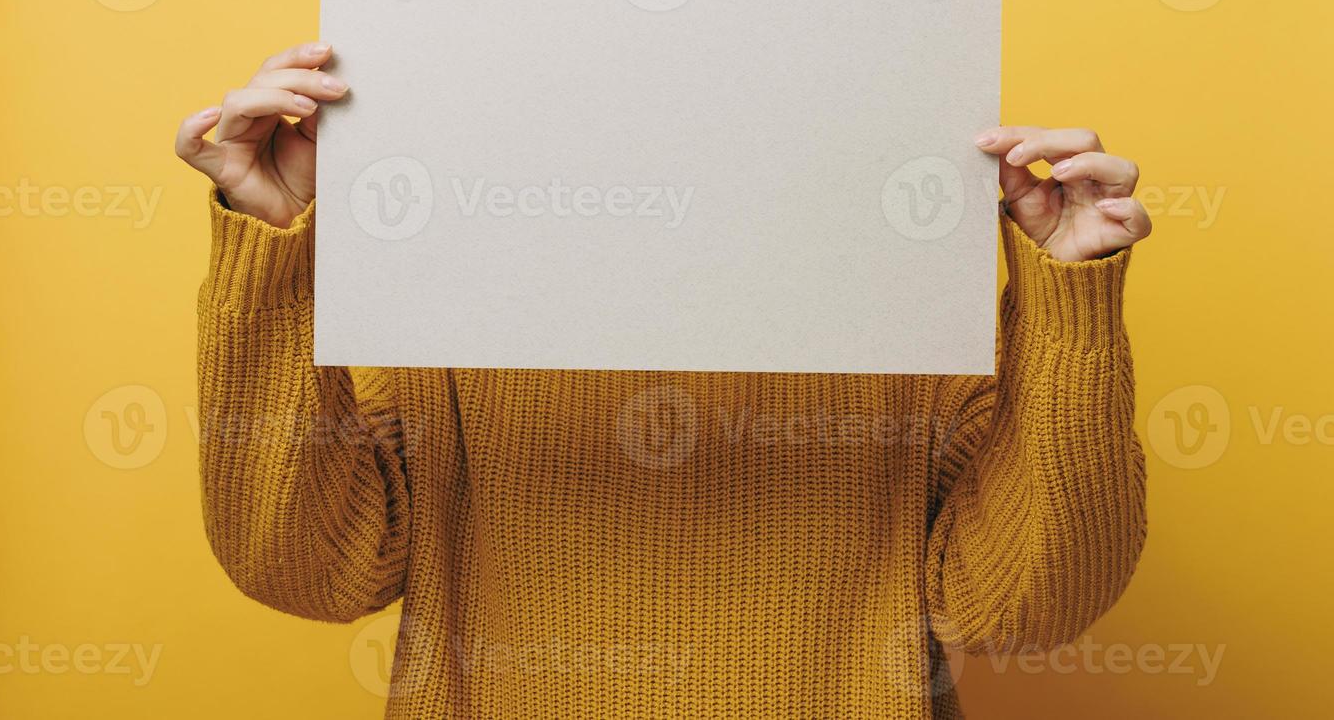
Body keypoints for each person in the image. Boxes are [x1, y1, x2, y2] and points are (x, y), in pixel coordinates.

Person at [175, 42, 1150, 719]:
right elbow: (304, 567)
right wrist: (271, 236)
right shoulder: (460, 319)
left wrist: (1070, 291)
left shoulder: (900, 323)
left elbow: (1022, 609)